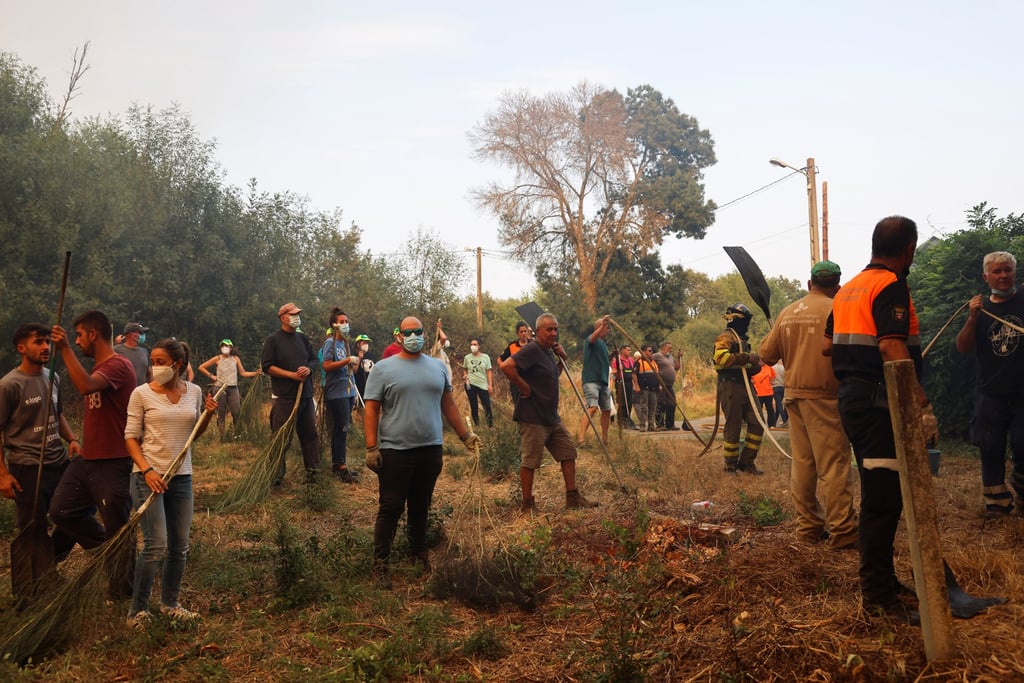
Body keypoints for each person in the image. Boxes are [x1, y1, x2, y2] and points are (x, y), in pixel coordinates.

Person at [828, 215, 930, 625]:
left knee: (882, 492)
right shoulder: (891, 285)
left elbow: (826, 347)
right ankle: (877, 596)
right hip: (878, 405)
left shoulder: (848, 288)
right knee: (883, 499)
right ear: (909, 249)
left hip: (854, 399)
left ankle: (885, 581)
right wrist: (918, 400)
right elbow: (891, 346)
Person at [363, 316, 480, 581]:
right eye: (408, 332)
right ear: (399, 337)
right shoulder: (383, 369)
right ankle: (380, 564)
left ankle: (418, 555)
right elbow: (371, 409)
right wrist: (371, 447)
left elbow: (448, 404)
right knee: (391, 506)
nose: (414, 336)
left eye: (418, 332)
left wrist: (465, 435)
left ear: (425, 334)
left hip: (430, 449)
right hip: (395, 450)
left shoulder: (437, 367)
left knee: (420, 505)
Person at [759, 261, 858, 550]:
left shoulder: (788, 312)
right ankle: (843, 531)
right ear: (838, 286)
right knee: (834, 465)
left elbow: (766, 354)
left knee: (803, 465)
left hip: (794, 395)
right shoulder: (838, 310)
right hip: (826, 396)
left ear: (808, 283)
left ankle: (808, 527)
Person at [124, 338, 218, 628]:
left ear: (177, 365)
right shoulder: (141, 394)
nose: (154, 367)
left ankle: (170, 604)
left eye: (161, 362)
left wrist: (208, 414)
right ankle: (137, 611)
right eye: (153, 361)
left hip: (182, 477)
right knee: (155, 544)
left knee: (180, 546)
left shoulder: (195, 391)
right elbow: (130, 437)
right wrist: (148, 470)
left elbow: (194, 434)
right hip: (148, 477)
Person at [49, 310, 137, 598]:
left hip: (114, 461)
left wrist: (62, 348)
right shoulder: (100, 369)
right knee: (61, 511)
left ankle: (123, 592)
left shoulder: (119, 365)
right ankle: (109, 552)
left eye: (79, 335)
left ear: (93, 334)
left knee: (117, 525)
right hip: (88, 458)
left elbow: (85, 387)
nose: (76, 342)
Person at [500, 313, 598, 512]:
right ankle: (527, 505)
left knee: (568, 452)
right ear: (537, 331)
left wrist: (562, 360)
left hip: (551, 417)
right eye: (549, 329)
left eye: (556, 329)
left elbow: (552, 375)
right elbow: (507, 366)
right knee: (530, 462)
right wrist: (524, 387)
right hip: (532, 417)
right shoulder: (532, 349)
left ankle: (573, 498)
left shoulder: (547, 351)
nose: (554, 333)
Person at [0, 323, 79, 564]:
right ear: (21, 348)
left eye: (47, 341)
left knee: (75, 514)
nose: (46, 347)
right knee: (32, 528)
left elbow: (57, 414)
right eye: (39, 342)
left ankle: (48, 563)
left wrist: (72, 439)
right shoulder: (9, 385)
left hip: (59, 461)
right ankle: (30, 590)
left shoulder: (52, 376)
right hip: (27, 467)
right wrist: (3, 474)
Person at [955, 250, 1024, 517]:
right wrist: (972, 318)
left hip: (1022, 393)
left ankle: (1020, 488)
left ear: (1014, 272)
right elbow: (962, 347)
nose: (1003, 275)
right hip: (990, 392)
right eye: (997, 271)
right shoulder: (980, 309)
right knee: (990, 446)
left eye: (1008, 270)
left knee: (1023, 443)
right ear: (986, 277)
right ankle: (997, 505)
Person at [261, 302, 321, 484]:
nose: (297, 317)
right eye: (293, 314)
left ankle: (314, 475)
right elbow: (267, 366)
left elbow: (313, 359)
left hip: (305, 396)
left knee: (310, 436)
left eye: (298, 314)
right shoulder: (273, 340)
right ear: (283, 318)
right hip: (285, 398)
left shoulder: (302, 339)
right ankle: (276, 477)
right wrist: (291, 375)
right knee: (281, 439)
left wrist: (308, 370)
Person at [713, 304, 764, 474]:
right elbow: (720, 359)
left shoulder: (742, 340)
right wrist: (747, 357)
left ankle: (747, 462)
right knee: (733, 426)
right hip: (730, 386)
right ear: (736, 320)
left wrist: (755, 366)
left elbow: (745, 364)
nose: (748, 325)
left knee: (758, 423)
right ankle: (730, 466)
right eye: (746, 321)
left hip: (746, 384)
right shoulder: (725, 337)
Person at [320, 307, 359, 483]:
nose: (345, 325)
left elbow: (348, 369)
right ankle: (341, 466)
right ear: (334, 325)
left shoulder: (345, 343)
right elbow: (326, 365)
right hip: (336, 392)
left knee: (343, 427)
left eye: (347, 322)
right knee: (341, 428)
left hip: (348, 390)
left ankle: (338, 463)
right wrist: (346, 361)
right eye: (342, 322)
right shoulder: (331, 343)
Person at [197, 339, 261, 437]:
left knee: (236, 411)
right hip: (219, 387)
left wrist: (255, 373)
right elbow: (201, 367)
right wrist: (212, 376)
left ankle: (238, 434)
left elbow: (243, 373)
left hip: (232, 387)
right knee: (221, 412)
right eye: (223, 346)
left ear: (231, 348)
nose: (224, 348)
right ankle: (222, 435)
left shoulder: (235, 359)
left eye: (227, 346)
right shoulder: (217, 358)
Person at [576, 316, 613, 446]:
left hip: (603, 381)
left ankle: (604, 439)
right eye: (606, 328)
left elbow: (603, 360)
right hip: (591, 380)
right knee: (592, 408)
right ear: (600, 327)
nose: (608, 330)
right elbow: (592, 339)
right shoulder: (591, 340)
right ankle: (581, 438)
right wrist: (603, 324)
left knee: (607, 410)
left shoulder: (603, 344)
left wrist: (613, 355)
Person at [463, 338, 494, 428]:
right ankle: (477, 425)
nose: (473, 346)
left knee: (487, 405)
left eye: (475, 344)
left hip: (483, 384)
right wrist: (465, 376)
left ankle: (490, 425)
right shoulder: (467, 357)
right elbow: (464, 368)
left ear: (479, 346)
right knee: (473, 405)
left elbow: (489, 371)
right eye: (471, 344)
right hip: (470, 384)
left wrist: (490, 385)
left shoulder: (485, 357)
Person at [499, 322, 532, 403]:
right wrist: (506, 371)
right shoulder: (512, 345)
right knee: (518, 404)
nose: (524, 333)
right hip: (516, 380)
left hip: (530, 380)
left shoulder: (533, 345)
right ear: (517, 333)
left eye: (525, 331)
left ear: (528, 332)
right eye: (521, 332)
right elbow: (500, 359)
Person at [652, 341, 682, 430]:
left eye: (672, 348)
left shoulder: (670, 357)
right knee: (661, 404)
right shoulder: (657, 356)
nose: (671, 350)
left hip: (670, 385)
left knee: (672, 404)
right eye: (670, 348)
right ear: (664, 348)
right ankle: (660, 424)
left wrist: (679, 358)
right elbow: (648, 360)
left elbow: (676, 367)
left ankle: (670, 424)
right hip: (661, 384)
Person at [114, 322, 151, 387]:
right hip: (124, 393)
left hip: (141, 394)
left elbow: (150, 375)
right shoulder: (116, 350)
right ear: (131, 334)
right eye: (141, 333)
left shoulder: (144, 352)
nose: (143, 336)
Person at [634, 345, 661, 432]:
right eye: (649, 351)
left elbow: (657, 375)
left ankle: (651, 425)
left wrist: (659, 385)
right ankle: (642, 425)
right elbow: (634, 374)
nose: (651, 352)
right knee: (644, 407)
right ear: (643, 351)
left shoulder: (653, 362)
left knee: (653, 407)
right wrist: (636, 386)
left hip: (654, 388)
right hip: (644, 388)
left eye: (651, 351)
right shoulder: (638, 362)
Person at [610, 345, 637, 429]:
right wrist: (618, 369)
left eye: (630, 350)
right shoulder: (617, 361)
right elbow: (613, 372)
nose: (630, 351)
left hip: (629, 383)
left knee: (629, 403)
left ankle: (627, 419)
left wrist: (635, 384)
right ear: (623, 351)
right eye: (628, 350)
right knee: (622, 403)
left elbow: (633, 373)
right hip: (621, 383)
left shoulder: (631, 360)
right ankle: (621, 421)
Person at [352, 334, 374, 417]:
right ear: (358, 343)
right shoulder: (353, 354)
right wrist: (359, 358)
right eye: (364, 342)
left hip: (369, 387)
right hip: (358, 386)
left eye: (367, 343)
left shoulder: (369, 355)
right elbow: (354, 371)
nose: (366, 345)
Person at [752, 361, 776, 426]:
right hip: (758, 393)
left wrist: (769, 383)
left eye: (762, 360)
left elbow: (773, 376)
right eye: (760, 360)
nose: (761, 361)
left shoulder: (769, 367)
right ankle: (759, 424)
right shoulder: (754, 368)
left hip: (768, 393)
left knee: (770, 409)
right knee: (758, 410)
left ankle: (771, 424)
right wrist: (754, 382)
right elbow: (751, 379)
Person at [771, 361, 788, 428]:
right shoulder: (783, 368)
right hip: (782, 387)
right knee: (779, 405)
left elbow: (771, 377)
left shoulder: (772, 368)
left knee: (778, 404)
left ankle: (784, 420)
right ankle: (774, 422)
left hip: (775, 387)